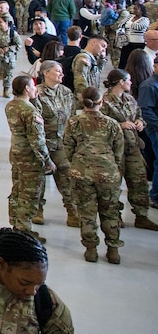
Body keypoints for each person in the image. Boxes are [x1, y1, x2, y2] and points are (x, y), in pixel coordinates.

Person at [64, 86, 125, 263]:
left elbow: (67, 148)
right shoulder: (112, 124)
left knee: (87, 212)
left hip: (82, 173)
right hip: (108, 173)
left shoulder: (74, 122)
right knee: (110, 211)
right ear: (102, 102)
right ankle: (113, 250)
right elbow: (119, 151)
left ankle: (91, 250)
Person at [101, 68, 158, 229]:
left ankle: (141, 216)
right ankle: (114, 216)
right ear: (121, 82)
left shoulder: (130, 99)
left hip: (133, 147)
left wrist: (141, 122)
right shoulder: (104, 102)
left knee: (139, 181)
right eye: (128, 80)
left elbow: (139, 115)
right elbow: (99, 124)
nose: (131, 83)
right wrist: (120, 125)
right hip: (114, 150)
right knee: (113, 185)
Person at [5, 74, 54, 239]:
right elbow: (37, 140)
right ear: (27, 89)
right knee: (30, 193)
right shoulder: (30, 111)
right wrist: (47, 161)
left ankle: (16, 224)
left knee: (17, 189)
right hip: (30, 157)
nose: (35, 90)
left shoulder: (11, 106)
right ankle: (24, 231)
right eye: (33, 87)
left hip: (16, 153)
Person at [32, 61, 76, 228]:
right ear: (46, 73)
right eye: (57, 71)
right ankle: (37, 210)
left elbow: (71, 117)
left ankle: (72, 211)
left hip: (61, 144)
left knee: (66, 176)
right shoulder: (38, 93)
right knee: (38, 179)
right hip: (42, 142)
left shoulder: (66, 92)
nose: (61, 74)